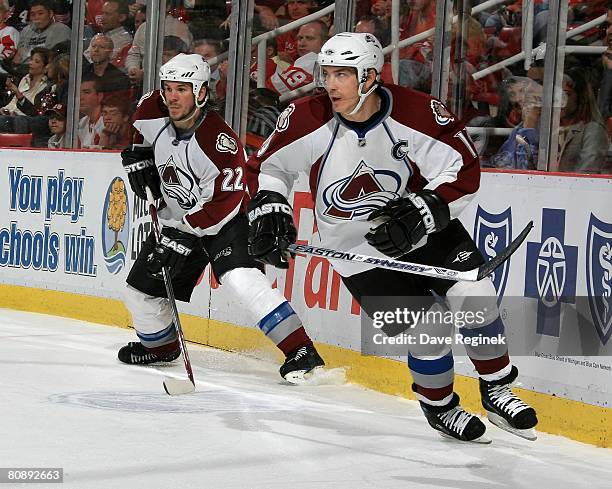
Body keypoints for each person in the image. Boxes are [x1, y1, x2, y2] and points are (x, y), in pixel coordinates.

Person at [246, 32, 538, 442]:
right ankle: (441, 408)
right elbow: (269, 167)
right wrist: (271, 204)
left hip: (420, 228)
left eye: (342, 75)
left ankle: (497, 386)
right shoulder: (307, 117)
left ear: (369, 77)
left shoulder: (417, 113)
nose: (330, 84)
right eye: (327, 74)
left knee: (477, 298)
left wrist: (425, 209)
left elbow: (463, 170)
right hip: (353, 248)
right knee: (429, 332)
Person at [119, 53, 324, 383]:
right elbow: (142, 131)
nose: (172, 96)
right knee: (138, 293)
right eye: (168, 88)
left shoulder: (217, 141)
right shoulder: (152, 107)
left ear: (201, 93)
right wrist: (139, 154)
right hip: (179, 220)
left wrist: (184, 233)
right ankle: (161, 347)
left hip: (228, 223)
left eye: (182, 89)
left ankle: (301, 351)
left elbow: (225, 203)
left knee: (242, 280)